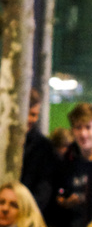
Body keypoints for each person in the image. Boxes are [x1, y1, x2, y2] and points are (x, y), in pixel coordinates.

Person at [21, 87, 56, 216]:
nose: (32, 119)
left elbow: (44, 189)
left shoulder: (43, 147)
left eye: (35, 115)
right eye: (28, 114)